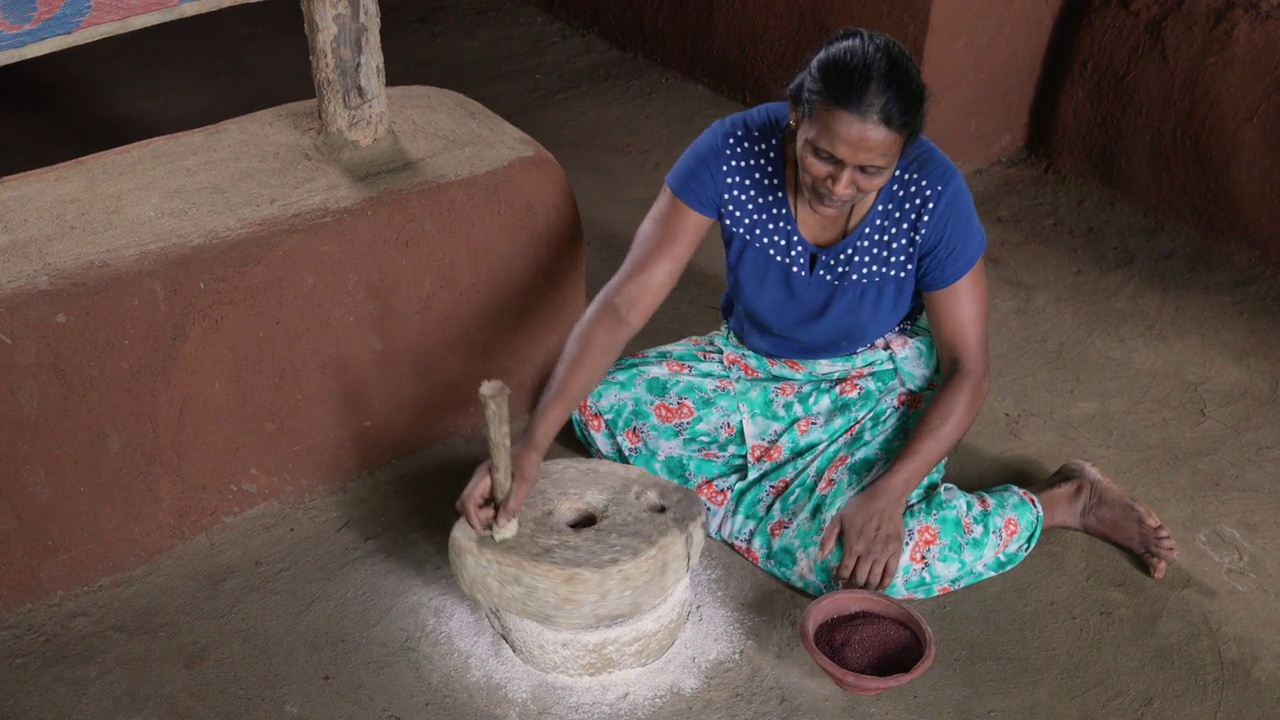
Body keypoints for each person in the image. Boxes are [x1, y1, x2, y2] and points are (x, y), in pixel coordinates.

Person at [456, 28, 1179, 599]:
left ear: (904, 153)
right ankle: (779, 494)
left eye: (871, 170)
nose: (841, 184)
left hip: (876, 382)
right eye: (823, 156)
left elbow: (968, 368)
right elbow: (622, 306)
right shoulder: (733, 151)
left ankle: (1062, 502)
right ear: (796, 114)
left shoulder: (933, 193)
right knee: (602, 410)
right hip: (750, 366)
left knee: (853, 563)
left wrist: (889, 495)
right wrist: (528, 445)